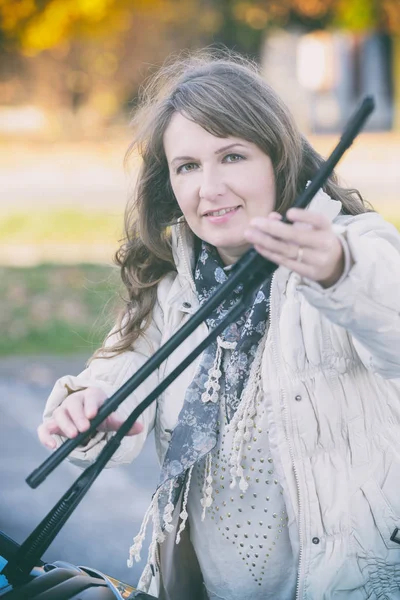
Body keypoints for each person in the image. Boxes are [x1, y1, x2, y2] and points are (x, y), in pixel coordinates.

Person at [38, 50, 400, 600]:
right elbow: (118, 369)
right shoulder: (172, 283)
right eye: (188, 166)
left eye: (232, 157)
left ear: (278, 159)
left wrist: (337, 271)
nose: (209, 187)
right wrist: (85, 406)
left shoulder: (348, 246)